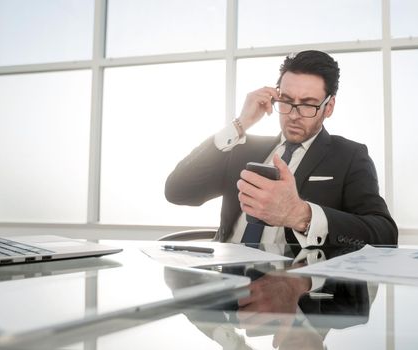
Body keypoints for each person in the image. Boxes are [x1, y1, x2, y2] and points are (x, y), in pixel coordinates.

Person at [165, 50, 397, 247]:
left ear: (329, 107)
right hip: (226, 283)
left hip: (296, 289)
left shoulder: (349, 156)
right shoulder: (243, 148)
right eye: (286, 101)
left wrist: (301, 215)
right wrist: (240, 124)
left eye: (307, 105)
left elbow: (385, 235)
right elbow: (178, 191)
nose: (294, 115)